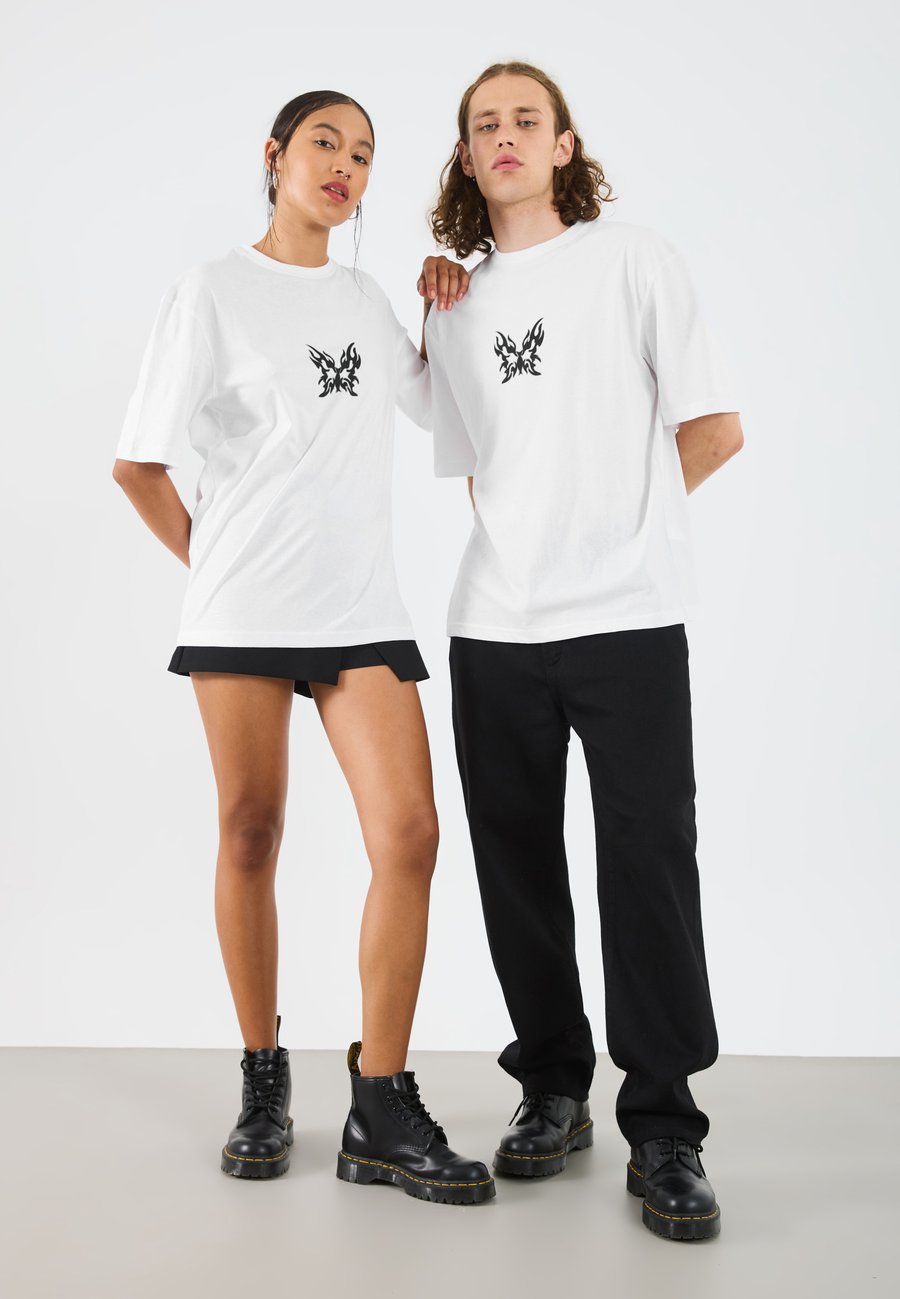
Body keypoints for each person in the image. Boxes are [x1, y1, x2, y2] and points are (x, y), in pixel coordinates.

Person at [112, 90, 494, 1206]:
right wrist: (217, 568)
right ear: (275, 155)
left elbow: (444, 409)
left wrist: (451, 302)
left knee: (411, 836)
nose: (345, 165)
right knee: (250, 830)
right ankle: (263, 1074)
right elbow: (138, 463)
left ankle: (381, 1102)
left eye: (364, 154)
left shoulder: (366, 299)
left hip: (357, 607)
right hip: (241, 610)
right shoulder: (210, 292)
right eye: (326, 142)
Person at [419, 61, 743, 1239]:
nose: (504, 136)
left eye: (526, 119)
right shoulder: (452, 300)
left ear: (564, 145)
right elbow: (477, 472)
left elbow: (715, 427)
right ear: (467, 156)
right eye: (484, 125)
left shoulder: (636, 261)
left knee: (648, 861)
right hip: (495, 625)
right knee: (515, 863)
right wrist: (533, 551)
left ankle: (663, 1126)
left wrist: (622, 532)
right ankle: (553, 1088)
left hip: (629, 617)